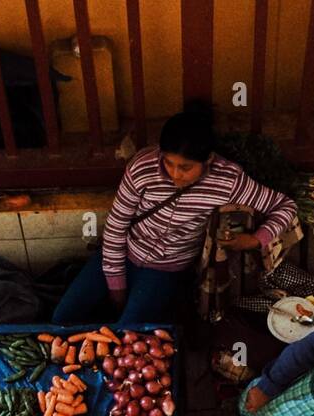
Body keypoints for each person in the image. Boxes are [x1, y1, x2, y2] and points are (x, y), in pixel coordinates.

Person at [52, 103, 299, 325]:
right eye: (168, 163)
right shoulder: (142, 168)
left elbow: (285, 206)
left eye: (185, 168)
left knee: (128, 333)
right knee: (62, 318)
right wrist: (117, 289)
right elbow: (116, 229)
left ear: (209, 160)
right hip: (123, 253)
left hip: (165, 269)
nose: (175, 174)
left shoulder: (229, 180)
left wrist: (257, 239)